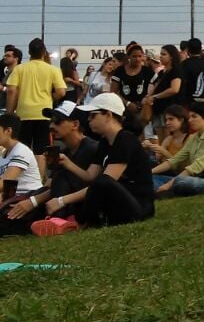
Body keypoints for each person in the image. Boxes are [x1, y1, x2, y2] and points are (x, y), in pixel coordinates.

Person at [35, 92, 155, 234]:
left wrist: (62, 200)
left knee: (103, 181)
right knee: (66, 176)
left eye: (93, 115)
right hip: (117, 201)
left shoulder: (125, 140)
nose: (89, 120)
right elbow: (89, 176)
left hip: (138, 205)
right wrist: (67, 164)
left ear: (108, 115)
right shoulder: (105, 141)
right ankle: (60, 220)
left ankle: (78, 222)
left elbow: (105, 183)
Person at [0, 102, 99, 239]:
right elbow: (49, 185)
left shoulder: (91, 148)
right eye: (51, 122)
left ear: (75, 124)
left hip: (74, 204)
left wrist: (32, 201)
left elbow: (87, 185)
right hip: (52, 201)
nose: (51, 126)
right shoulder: (63, 152)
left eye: (57, 122)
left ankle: (61, 222)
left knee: (61, 177)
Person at [4, 37, 67, 180]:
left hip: (23, 113)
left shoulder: (19, 69)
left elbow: (11, 91)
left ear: (28, 52)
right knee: (41, 150)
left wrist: (9, 111)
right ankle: (39, 182)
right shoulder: (53, 69)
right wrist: (50, 95)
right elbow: (62, 92)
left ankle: (20, 178)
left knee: (21, 149)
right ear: (44, 52)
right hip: (43, 114)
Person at [151, 100, 204, 197]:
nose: (190, 120)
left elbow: (196, 167)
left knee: (180, 181)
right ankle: (160, 190)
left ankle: (162, 191)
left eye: (194, 116)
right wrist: (149, 172)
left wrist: (167, 185)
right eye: (190, 117)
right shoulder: (194, 137)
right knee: (152, 177)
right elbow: (175, 160)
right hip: (192, 178)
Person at [143, 44, 183, 139]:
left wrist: (155, 97)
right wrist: (148, 96)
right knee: (160, 137)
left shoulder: (176, 71)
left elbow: (174, 89)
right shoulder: (162, 73)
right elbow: (155, 87)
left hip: (169, 109)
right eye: (160, 54)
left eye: (164, 54)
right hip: (158, 109)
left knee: (168, 137)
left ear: (172, 56)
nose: (160, 56)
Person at [111, 43, 155, 121]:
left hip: (143, 110)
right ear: (128, 57)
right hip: (123, 109)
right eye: (134, 56)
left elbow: (155, 87)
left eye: (139, 56)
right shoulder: (119, 71)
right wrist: (127, 103)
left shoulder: (147, 71)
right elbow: (113, 92)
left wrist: (146, 100)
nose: (137, 59)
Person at [177, 38, 204, 111]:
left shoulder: (184, 64)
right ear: (201, 49)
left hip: (189, 99)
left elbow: (181, 81)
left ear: (188, 50)